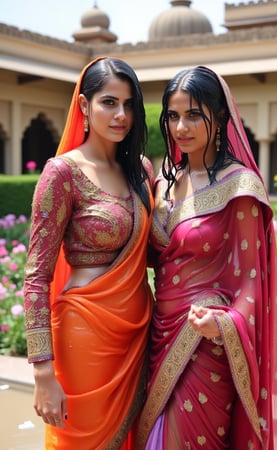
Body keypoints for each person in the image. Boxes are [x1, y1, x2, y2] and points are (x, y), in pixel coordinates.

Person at [137, 66, 277, 449]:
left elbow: (252, 283)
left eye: (193, 114)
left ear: (220, 117)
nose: (180, 127)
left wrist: (223, 324)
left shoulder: (239, 187)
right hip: (159, 337)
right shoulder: (166, 181)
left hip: (206, 347)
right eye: (173, 115)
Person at [23, 56, 154, 449]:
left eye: (129, 104)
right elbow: (36, 276)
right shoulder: (62, 173)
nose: (121, 115)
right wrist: (43, 373)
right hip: (84, 338)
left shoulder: (141, 170)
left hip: (137, 334)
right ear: (84, 105)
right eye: (109, 103)